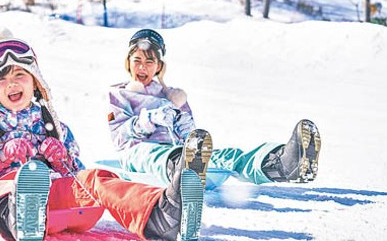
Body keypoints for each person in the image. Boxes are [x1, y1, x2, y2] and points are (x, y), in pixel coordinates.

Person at [0, 32, 212, 241]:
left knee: (94, 179)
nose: (12, 84)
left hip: (51, 192)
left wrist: (61, 159)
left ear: (35, 82)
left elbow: (75, 173)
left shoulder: (55, 127)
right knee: (6, 187)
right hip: (0, 190)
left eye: (19, 75)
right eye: (1, 79)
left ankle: (162, 215)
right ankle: (20, 217)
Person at [107, 28, 322, 187]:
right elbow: (120, 136)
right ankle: (183, 169)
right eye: (137, 61)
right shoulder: (119, 93)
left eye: (149, 62)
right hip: (137, 155)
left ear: (159, 66)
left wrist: (184, 125)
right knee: (150, 153)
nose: (142, 67)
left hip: (178, 152)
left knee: (224, 155)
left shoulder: (172, 97)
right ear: (128, 62)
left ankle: (282, 163)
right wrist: (149, 119)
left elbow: (190, 139)